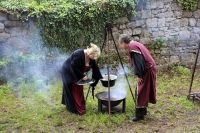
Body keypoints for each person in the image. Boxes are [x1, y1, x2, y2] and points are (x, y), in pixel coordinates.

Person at [118, 34, 157, 121]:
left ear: (124, 42)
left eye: (120, 44)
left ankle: (139, 116)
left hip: (147, 70)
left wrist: (139, 75)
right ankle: (142, 112)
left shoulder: (133, 47)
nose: (121, 47)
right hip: (149, 69)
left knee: (140, 91)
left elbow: (139, 63)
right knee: (142, 91)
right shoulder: (135, 44)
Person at [61, 43, 102, 115]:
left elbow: (95, 68)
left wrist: (99, 77)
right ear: (90, 53)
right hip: (68, 71)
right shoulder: (79, 55)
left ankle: (78, 105)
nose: (94, 58)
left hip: (75, 73)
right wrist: (81, 76)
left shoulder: (91, 58)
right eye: (94, 56)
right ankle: (75, 108)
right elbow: (73, 67)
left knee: (78, 88)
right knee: (73, 89)